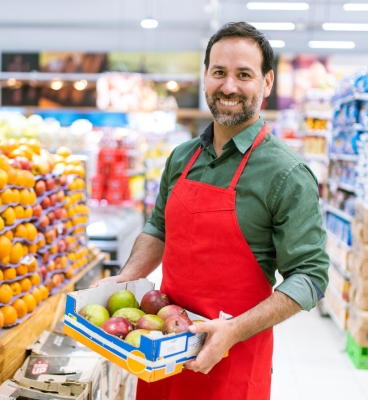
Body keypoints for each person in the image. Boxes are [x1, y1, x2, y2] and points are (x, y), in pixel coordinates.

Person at [94, 22, 329, 400]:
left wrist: (233, 331)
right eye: (219, 72)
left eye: (244, 75)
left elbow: (310, 276)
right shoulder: (182, 158)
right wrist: (123, 279)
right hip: (160, 351)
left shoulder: (287, 174)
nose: (229, 86)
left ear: (267, 83)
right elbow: (158, 229)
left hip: (232, 360)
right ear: (205, 76)